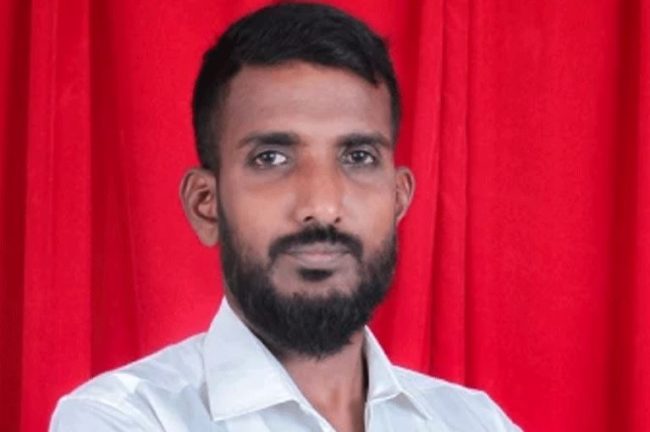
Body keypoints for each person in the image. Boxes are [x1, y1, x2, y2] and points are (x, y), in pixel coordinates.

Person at [50, 3, 521, 431]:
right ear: (205, 204)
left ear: (398, 200)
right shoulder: (121, 418)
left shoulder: (477, 422)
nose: (322, 205)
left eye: (358, 157)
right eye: (271, 158)